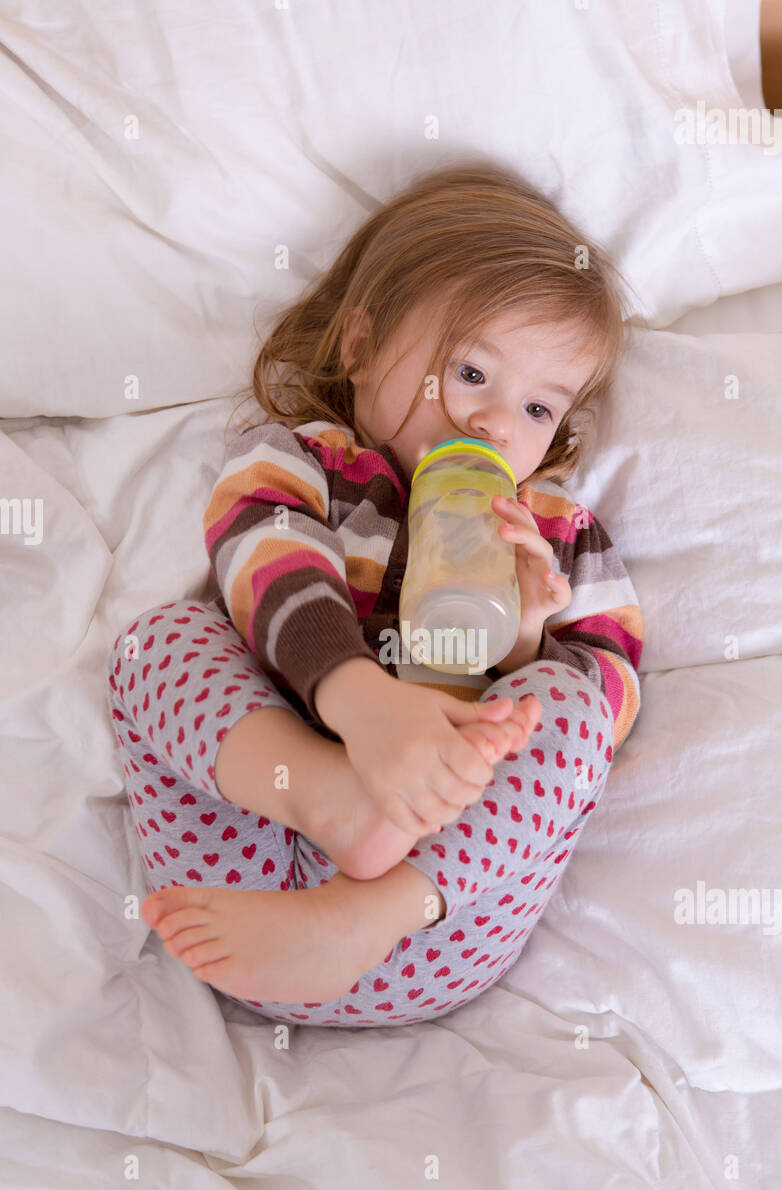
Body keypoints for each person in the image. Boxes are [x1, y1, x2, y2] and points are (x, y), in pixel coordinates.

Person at [106, 160, 643, 1027]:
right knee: (154, 643)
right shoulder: (305, 463)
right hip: (245, 871)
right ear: (360, 347)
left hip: (436, 915)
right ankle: (330, 794)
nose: (497, 426)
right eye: (471, 373)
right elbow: (259, 553)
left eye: (540, 410)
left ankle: (363, 904)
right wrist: (358, 703)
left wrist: (523, 642)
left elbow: (609, 710)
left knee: (573, 708)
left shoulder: (550, 530)